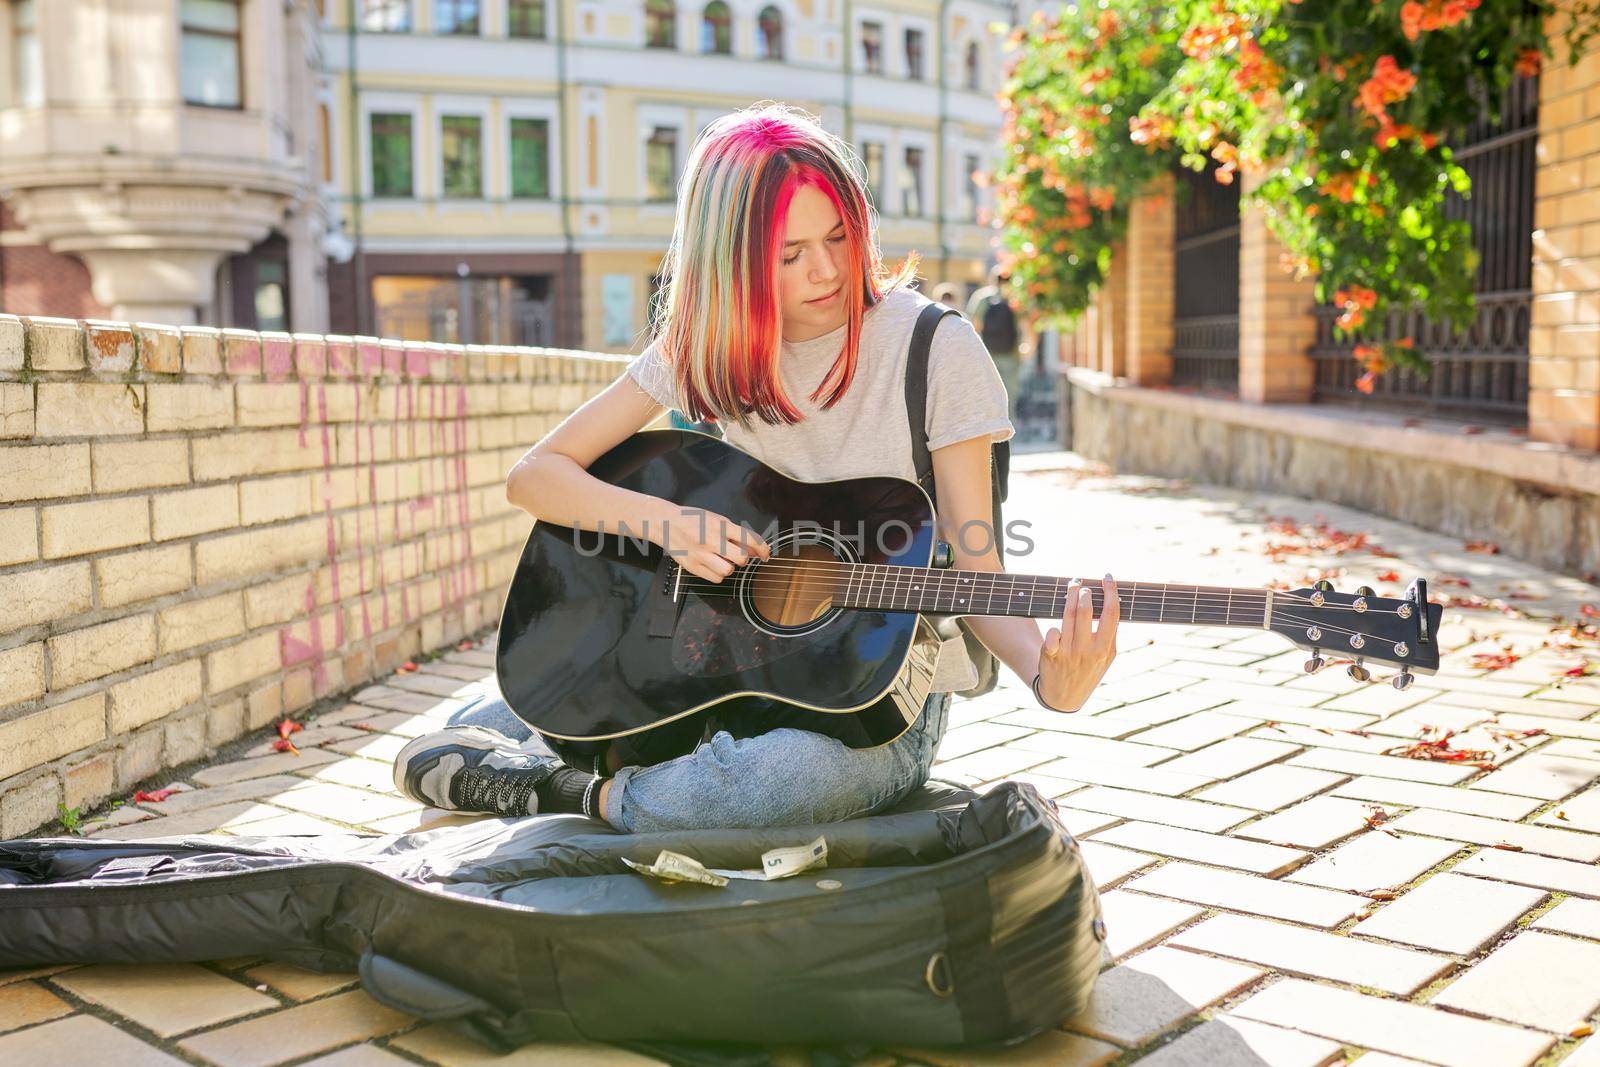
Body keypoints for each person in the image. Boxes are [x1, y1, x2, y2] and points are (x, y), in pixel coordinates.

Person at [392, 104, 1119, 833]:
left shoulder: (937, 349)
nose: (827, 269)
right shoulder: (705, 347)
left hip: (871, 707)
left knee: (771, 782)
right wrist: (666, 523)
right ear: (733, 259)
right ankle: (590, 758)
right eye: (790, 252)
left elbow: (977, 567)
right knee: (508, 709)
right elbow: (536, 475)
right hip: (713, 670)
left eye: (839, 236)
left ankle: (567, 791)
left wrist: (1047, 679)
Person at [966, 267, 1025, 410]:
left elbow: (974, 325)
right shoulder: (1015, 299)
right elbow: (1025, 325)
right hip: (1011, 355)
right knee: (1009, 398)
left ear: (992, 279)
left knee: (985, 396)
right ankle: (1009, 429)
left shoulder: (981, 297)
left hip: (986, 355)